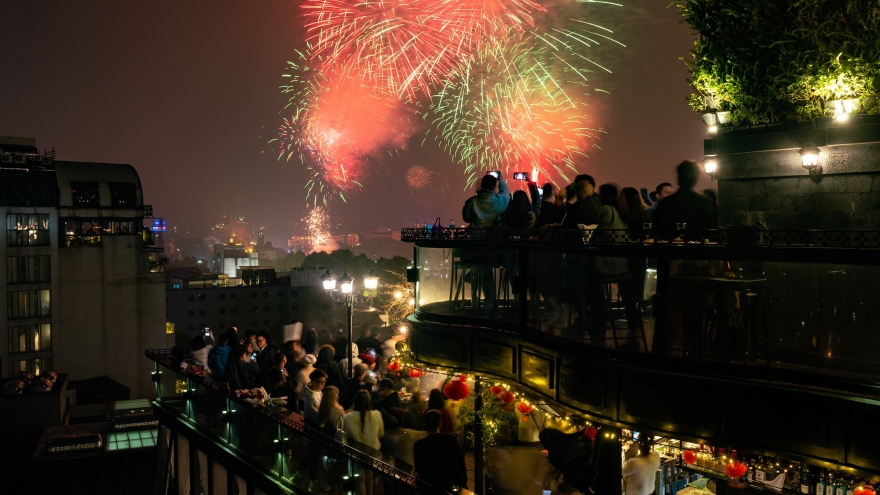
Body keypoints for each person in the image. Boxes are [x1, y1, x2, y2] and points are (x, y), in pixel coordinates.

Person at [653, 161, 718, 235]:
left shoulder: (666, 203)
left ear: (679, 177)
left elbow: (658, 228)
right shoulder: (706, 204)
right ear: (696, 179)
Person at [293, 369, 331, 493]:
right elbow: (318, 416)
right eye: (321, 382)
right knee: (314, 456)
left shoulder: (317, 392)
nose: (323, 385)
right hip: (313, 429)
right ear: (313, 382)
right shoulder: (312, 398)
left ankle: (298, 474)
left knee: (311, 454)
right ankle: (313, 482)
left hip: (313, 428)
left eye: (324, 382)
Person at [413, 409, 468, 492]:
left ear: (425, 424)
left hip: (430, 488)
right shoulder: (451, 440)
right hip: (450, 486)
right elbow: (460, 463)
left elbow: (419, 469)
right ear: (440, 424)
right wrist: (463, 484)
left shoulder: (419, 445)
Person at [343, 391, 385, 495]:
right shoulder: (377, 415)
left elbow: (346, 435)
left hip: (356, 451)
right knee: (369, 477)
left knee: (360, 480)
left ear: (355, 402)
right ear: (370, 402)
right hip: (373, 450)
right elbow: (381, 433)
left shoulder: (348, 417)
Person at [318, 386, 346, 495]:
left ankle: (334, 491)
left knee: (331, 469)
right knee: (340, 471)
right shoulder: (337, 410)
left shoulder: (323, 409)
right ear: (334, 396)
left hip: (327, 443)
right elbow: (343, 425)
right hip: (337, 443)